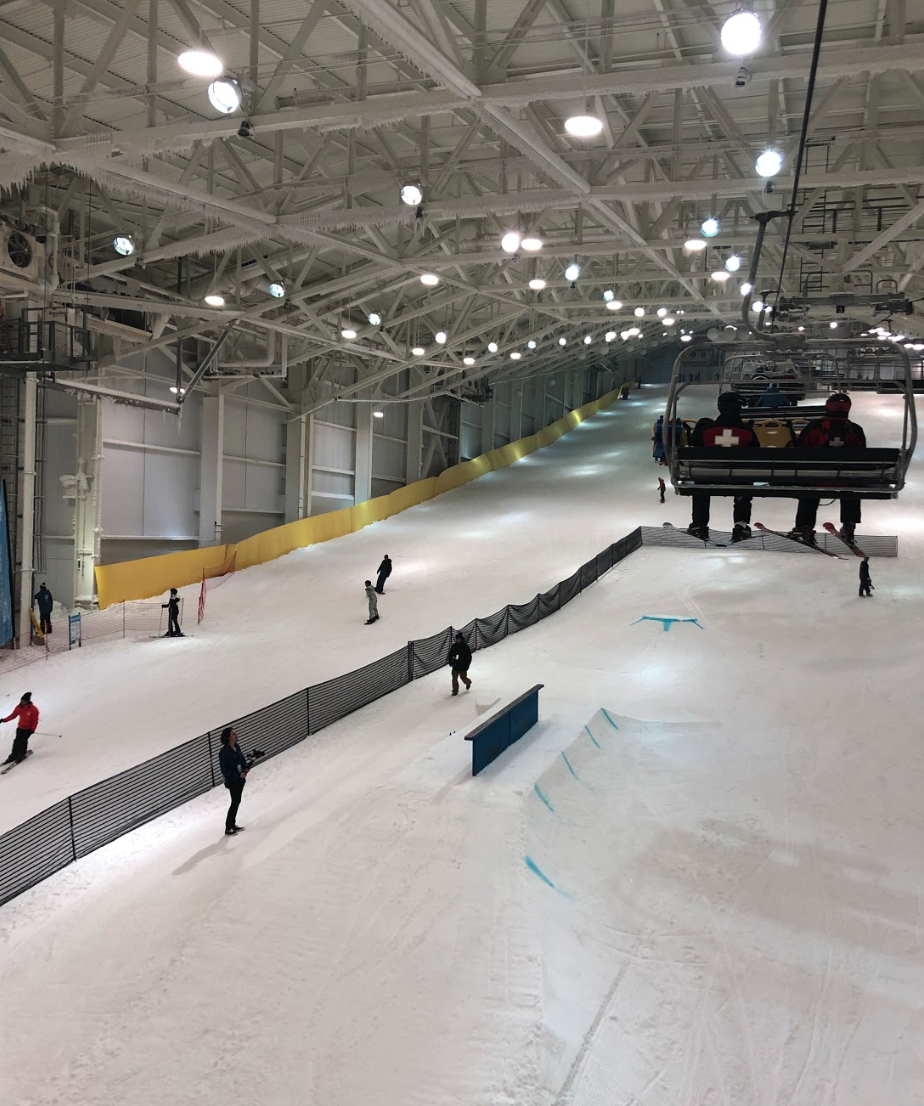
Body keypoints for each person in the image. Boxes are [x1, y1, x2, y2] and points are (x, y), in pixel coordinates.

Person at [790, 393, 866, 545]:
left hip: (815, 478)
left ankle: (805, 526)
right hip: (845, 480)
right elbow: (862, 457)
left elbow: (798, 451)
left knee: (808, 485)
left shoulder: (814, 427)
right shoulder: (855, 430)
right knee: (852, 484)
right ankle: (849, 525)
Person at [687, 391, 760, 542]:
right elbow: (756, 451)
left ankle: (699, 525)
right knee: (744, 485)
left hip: (708, 478)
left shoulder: (707, 431)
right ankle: (741, 525)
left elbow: (694, 445)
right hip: (739, 479)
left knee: (700, 486)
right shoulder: (746, 432)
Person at [218, 727, 248, 836]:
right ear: (228, 737)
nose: (236, 735)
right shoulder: (224, 752)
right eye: (233, 734)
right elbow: (225, 770)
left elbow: (241, 759)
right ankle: (228, 826)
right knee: (235, 802)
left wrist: (245, 768)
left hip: (240, 779)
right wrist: (237, 775)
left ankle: (232, 824)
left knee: (236, 801)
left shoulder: (237, 747)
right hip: (233, 781)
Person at [2, 692, 39, 765]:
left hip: (27, 729)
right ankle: (13, 755)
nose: (22, 702)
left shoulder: (33, 709)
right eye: (21, 700)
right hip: (20, 728)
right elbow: (13, 715)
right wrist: (4, 720)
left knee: (23, 741)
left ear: (27, 701)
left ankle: (21, 754)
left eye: (24, 701)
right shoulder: (18, 707)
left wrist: (32, 730)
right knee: (16, 741)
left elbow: (35, 721)